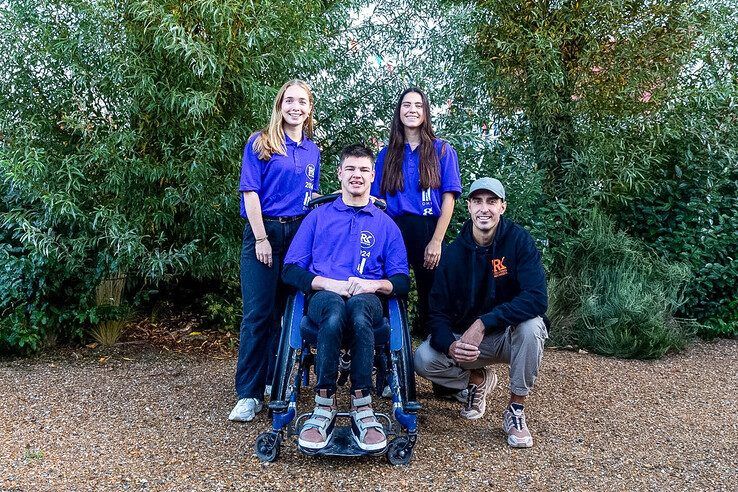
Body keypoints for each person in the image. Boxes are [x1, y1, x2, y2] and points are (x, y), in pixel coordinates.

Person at [282, 144, 410, 451]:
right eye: (350, 169)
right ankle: (323, 403)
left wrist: (374, 285)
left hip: (366, 297)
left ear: (372, 176)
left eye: (364, 170)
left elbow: (402, 280)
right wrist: (326, 283)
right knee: (336, 311)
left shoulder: (386, 224)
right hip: (324, 296)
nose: (357, 175)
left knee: (358, 312)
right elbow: (290, 270)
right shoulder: (317, 217)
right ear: (339, 174)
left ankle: (361, 405)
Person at [413, 177, 549, 448]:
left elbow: (537, 298)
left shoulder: (518, 242)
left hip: (508, 336)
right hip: (469, 343)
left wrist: (485, 322)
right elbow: (436, 313)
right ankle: (478, 378)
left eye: (492, 201)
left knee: (532, 326)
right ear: (469, 208)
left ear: (503, 207)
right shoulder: (452, 255)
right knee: (423, 359)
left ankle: (515, 410)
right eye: (477, 201)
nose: (484, 208)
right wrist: (451, 346)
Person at [229, 80, 321, 422]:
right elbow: (249, 192)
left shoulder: (313, 151)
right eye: (290, 100)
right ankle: (248, 394)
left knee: (288, 316)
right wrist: (261, 238)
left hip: (298, 233)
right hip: (264, 230)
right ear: (280, 105)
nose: (295, 107)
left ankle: (274, 382)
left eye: (302, 102)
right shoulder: (261, 143)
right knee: (258, 315)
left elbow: (312, 201)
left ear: (309, 109)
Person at [370, 87, 462, 340]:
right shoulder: (386, 155)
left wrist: (436, 241)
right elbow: (376, 201)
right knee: (389, 291)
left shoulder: (442, 151)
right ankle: (389, 360)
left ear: (426, 112)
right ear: (399, 112)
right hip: (393, 228)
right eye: (406, 105)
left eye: (418, 105)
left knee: (432, 298)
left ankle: (437, 366)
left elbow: (449, 199)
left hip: (427, 229)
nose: (412, 110)